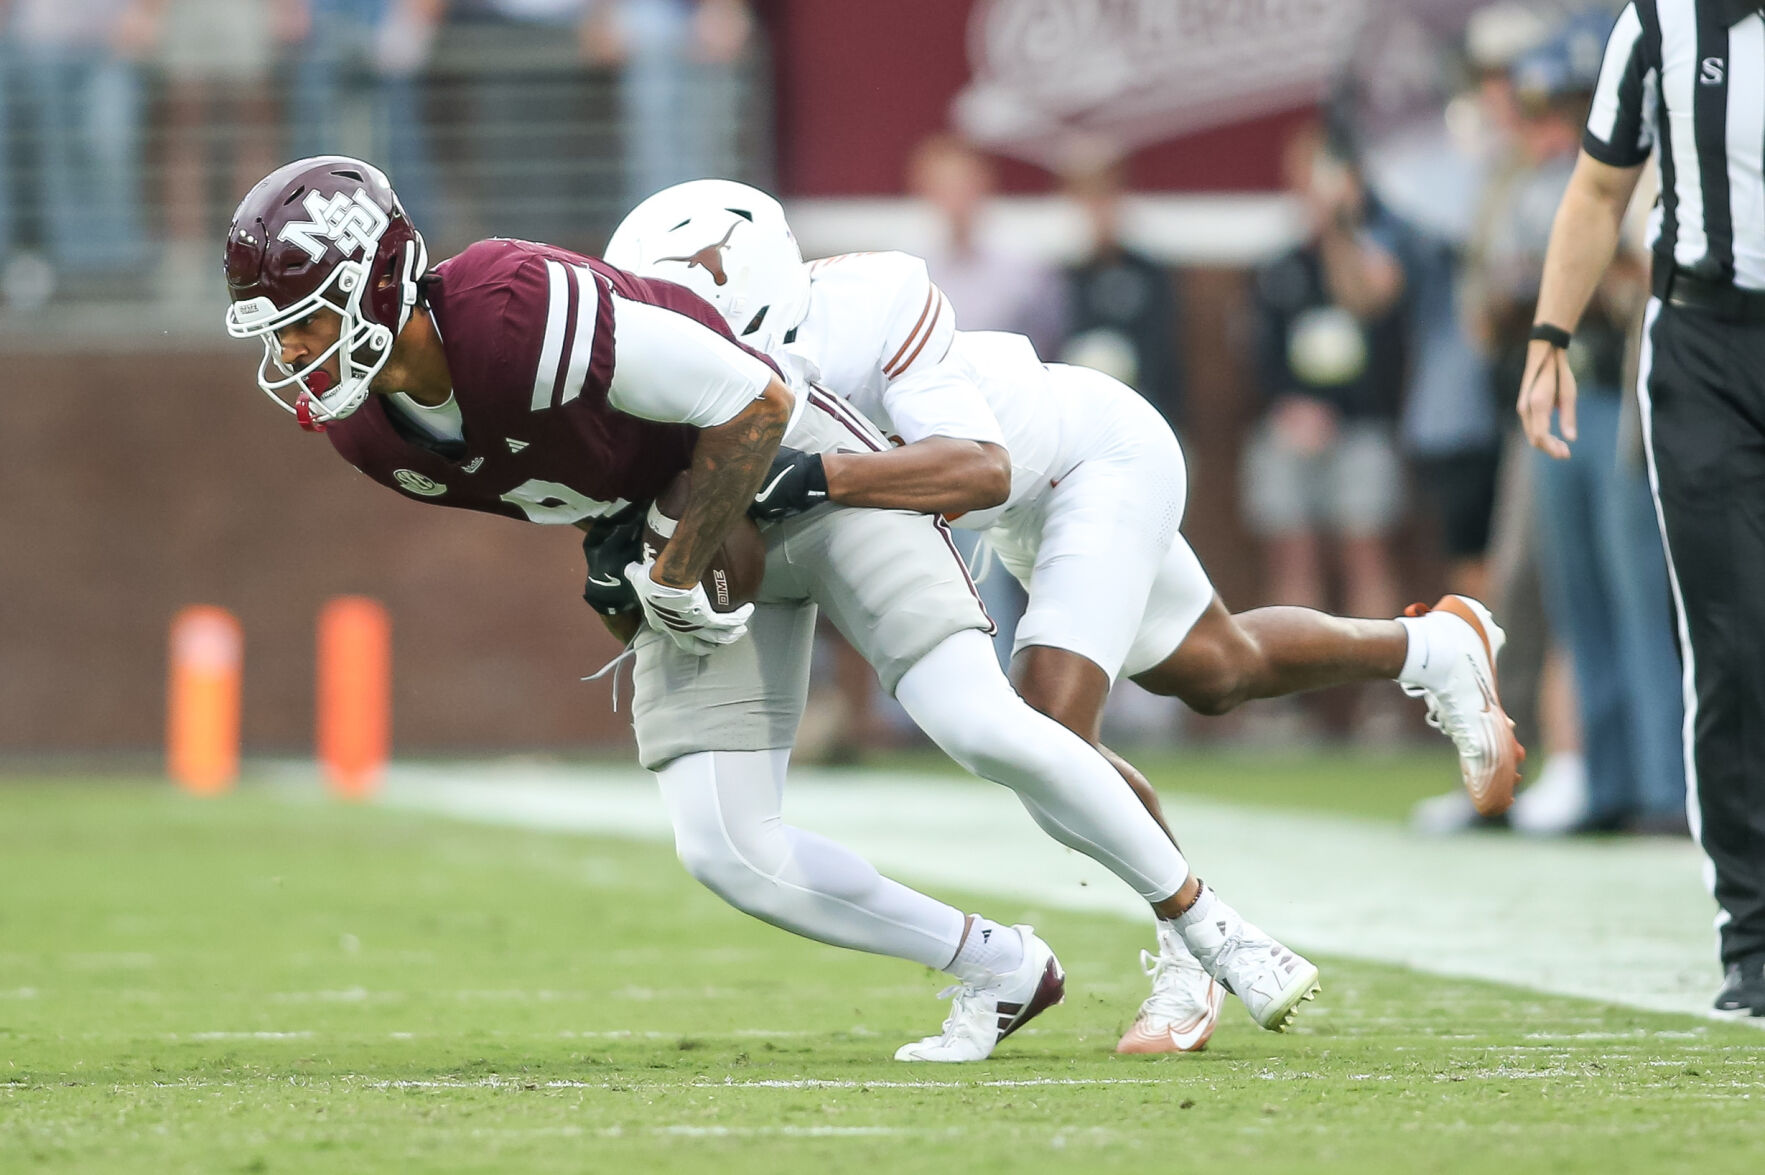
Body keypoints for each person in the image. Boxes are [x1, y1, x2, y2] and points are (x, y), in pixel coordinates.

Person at [224, 156, 1323, 1063]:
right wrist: (626, 567)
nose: (291, 354)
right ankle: (997, 966)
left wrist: (670, 557)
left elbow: (755, 401)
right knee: (724, 845)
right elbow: (584, 480)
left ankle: (1209, 925)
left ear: (381, 285)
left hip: (807, 461)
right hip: (694, 522)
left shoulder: (518, 309)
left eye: (304, 321)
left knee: (977, 719)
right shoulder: (373, 438)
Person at [605, 178, 1525, 1053]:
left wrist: (812, 474)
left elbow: (979, 469)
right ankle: (1433, 644)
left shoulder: (875, 298)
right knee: (1220, 668)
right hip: (1015, 512)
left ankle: (1190, 954)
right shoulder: (711, 350)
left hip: (1085, 458)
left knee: (1045, 724)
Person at [1517, 0, 1765, 1013]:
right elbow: (1597, 187)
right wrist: (1549, 337)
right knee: (1733, 636)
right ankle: (1753, 935)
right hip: (1705, 342)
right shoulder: (1660, 22)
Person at [1483, 22, 1684, 836]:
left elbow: (1642, 268)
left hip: (1619, 389)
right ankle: (1601, 778)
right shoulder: (1524, 184)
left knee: (1638, 592)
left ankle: (1663, 785)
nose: (1553, 118)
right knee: (1578, 596)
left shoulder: (1639, 164)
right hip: (1564, 388)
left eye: (1564, 100)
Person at [1242, 123, 1411, 738]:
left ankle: (1379, 703)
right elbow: (1260, 358)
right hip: (1290, 430)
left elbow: (1380, 338)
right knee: (1292, 553)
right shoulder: (1279, 267)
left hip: (1361, 429)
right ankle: (1286, 704)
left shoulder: (1373, 260)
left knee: (1365, 552)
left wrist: (1343, 232)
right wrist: (1292, 407)